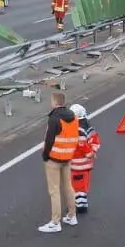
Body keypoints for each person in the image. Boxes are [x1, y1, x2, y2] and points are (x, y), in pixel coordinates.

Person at [39, 92, 79, 233]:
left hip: (54, 158)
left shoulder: (54, 118)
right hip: (67, 157)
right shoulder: (74, 117)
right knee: (68, 186)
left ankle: (55, 222)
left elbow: (49, 139)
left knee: (54, 190)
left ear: (55, 102)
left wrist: (45, 155)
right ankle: (72, 215)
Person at [68, 104, 101, 215]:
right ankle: (80, 203)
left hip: (77, 164)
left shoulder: (76, 130)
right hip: (87, 164)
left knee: (77, 186)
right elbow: (95, 142)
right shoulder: (89, 128)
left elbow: (80, 145)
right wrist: (93, 152)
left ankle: (80, 206)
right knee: (83, 184)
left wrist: (88, 153)